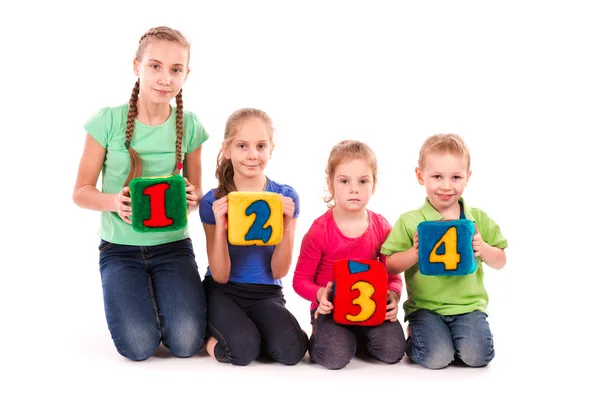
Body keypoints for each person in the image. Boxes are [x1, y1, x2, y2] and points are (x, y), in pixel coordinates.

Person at [72, 26, 209, 361]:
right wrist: (113, 202)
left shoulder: (189, 126)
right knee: (138, 346)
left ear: (186, 75)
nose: (165, 78)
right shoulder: (108, 121)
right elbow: (80, 192)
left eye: (176, 70)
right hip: (120, 251)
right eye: (155, 66)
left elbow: (197, 191)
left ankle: (170, 302)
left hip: (173, 248)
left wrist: (194, 198)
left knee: (187, 342)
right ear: (137, 66)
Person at [381, 133, 508, 369]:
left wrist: (483, 249)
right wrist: (414, 252)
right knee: (437, 358)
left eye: (456, 177)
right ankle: (420, 336)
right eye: (437, 176)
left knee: (477, 357)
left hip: (469, 308)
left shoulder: (477, 218)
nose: (447, 186)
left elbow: (501, 260)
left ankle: (452, 339)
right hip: (426, 308)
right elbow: (389, 264)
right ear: (421, 176)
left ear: (467, 178)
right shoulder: (410, 220)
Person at [199, 107, 308, 366]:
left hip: (266, 292)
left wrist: (284, 223)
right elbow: (221, 275)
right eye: (242, 146)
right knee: (242, 351)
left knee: (292, 352)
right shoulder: (213, 201)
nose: (252, 155)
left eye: (260, 146)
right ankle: (207, 338)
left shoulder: (286, 197)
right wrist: (222, 227)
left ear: (271, 148)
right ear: (227, 150)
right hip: (223, 291)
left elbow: (279, 271)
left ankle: (255, 332)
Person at [292, 140, 406, 370]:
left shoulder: (382, 227)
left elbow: (393, 275)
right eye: (344, 181)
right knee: (334, 357)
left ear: (373, 185)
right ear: (331, 184)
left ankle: (356, 338)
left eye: (363, 181)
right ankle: (322, 336)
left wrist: (393, 297)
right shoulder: (319, 231)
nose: (354, 189)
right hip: (331, 309)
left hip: (372, 307)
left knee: (393, 352)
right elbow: (300, 281)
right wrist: (320, 294)